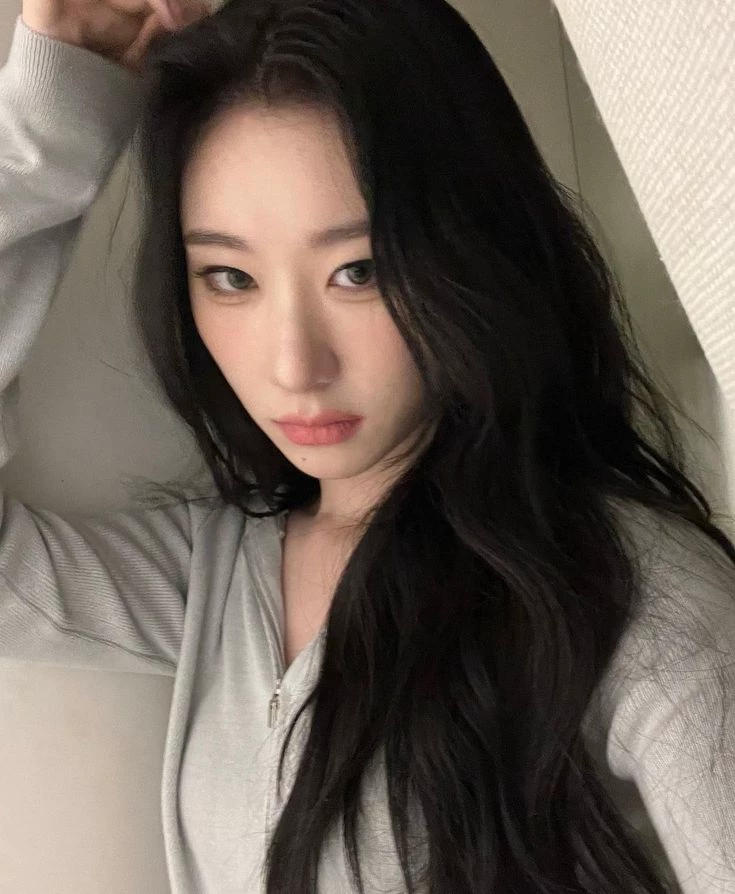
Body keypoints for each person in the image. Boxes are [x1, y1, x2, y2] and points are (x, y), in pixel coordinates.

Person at [1, 0, 734, 892]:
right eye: (229, 277)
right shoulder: (216, 578)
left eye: (359, 270)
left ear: (468, 257)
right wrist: (49, 131)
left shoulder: (633, 599)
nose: (292, 365)